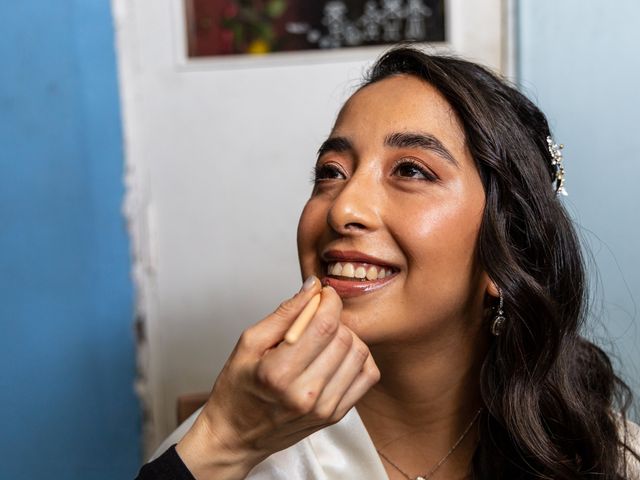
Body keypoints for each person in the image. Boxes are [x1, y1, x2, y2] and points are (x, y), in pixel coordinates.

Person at [136, 47, 640, 479]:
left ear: (509, 247)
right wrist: (222, 443)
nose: (343, 208)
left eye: (411, 171)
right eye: (330, 172)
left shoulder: (606, 456)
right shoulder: (219, 455)